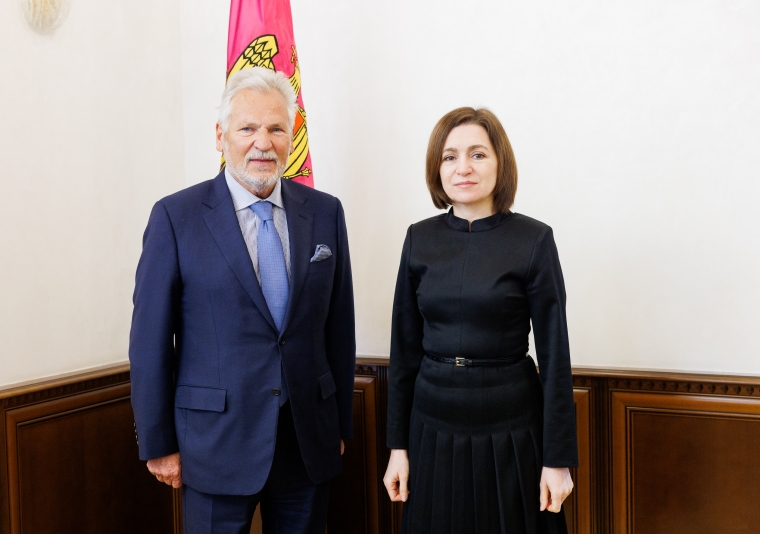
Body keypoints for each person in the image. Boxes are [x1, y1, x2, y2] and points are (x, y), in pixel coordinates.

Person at [129, 67, 355, 534]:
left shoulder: (325, 212)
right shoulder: (176, 216)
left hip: (306, 442)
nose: (262, 143)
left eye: (276, 129)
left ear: (291, 137)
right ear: (221, 136)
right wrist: (158, 443)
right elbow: (149, 341)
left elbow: (338, 327)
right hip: (213, 446)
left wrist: (337, 427)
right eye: (247, 128)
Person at [383, 107, 577, 533]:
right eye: (450, 156)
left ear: (499, 162)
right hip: (432, 427)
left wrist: (557, 460)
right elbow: (404, 351)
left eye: (477, 154)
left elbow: (555, 359)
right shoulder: (419, 238)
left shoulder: (534, 239)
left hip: (511, 427)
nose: (463, 167)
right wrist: (397, 447)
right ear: (437, 168)